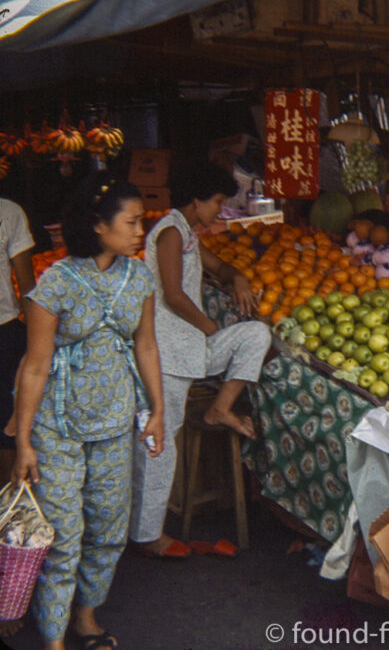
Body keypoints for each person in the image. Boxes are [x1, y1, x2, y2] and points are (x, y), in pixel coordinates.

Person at [12, 173, 165, 650]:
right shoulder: (55, 283)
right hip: (57, 427)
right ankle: (53, 637)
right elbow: (34, 367)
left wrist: (157, 411)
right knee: (62, 534)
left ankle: (86, 615)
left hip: (115, 423)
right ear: (98, 225)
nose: (141, 230)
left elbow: (147, 346)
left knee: (107, 526)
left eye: (142, 221)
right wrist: (22, 441)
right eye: (133, 221)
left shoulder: (138, 276)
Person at [129, 161, 271, 559]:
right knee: (161, 443)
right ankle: (148, 535)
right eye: (218, 202)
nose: (220, 210)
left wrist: (238, 277)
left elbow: (220, 267)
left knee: (256, 334)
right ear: (196, 200)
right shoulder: (171, 233)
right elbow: (173, 295)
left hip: (192, 349)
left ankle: (220, 409)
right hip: (168, 354)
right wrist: (209, 326)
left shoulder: (187, 232)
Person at [0, 197, 35, 476]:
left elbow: (27, 286)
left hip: (5, 331)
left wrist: (35, 340)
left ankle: (6, 505)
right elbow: (26, 286)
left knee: (6, 423)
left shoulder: (10, 212)